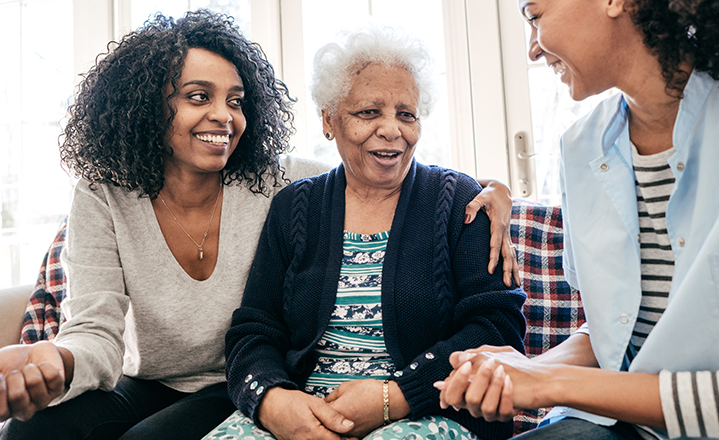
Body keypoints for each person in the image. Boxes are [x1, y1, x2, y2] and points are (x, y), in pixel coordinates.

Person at [0, 11, 513, 440]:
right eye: (199, 97)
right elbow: (97, 330)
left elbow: (387, 176)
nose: (225, 116)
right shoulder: (105, 196)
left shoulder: (274, 182)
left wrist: (497, 191)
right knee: (31, 432)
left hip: (227, 385)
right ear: (148, 106)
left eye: (235, 101)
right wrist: (54, 357)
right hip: (156, 380)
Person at [436, 0, 719, 439]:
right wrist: (517, 369)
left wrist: (547, 383)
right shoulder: (581, 148)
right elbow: (612, 334)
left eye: (535, 15)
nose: (532, 48)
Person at [202, 25, 527, 440]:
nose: (392, 129)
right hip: (306, 409)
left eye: (406, 114)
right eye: (369, 112)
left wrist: (395, 396)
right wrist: (273, 400)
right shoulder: (295, 206)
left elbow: (497, 328)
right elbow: (255, 329)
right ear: (329, 121)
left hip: (427, 409)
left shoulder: (460, 201)